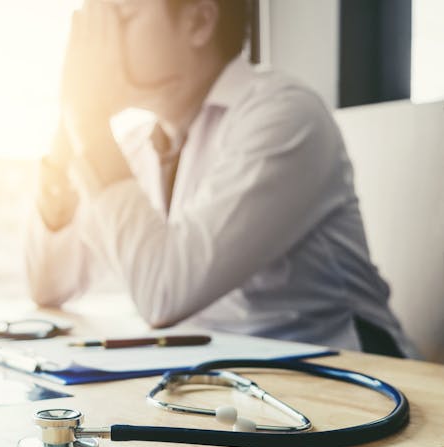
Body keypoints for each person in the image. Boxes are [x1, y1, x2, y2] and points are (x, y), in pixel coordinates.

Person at [25, 0, 417, 357]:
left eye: (121, 18)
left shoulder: (284, 116)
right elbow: (49, 285)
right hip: (221, 376)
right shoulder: (133, 147)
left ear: (199, 21)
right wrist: (69, 125)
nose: (98, 45)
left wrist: (90, 122)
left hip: (350, 377)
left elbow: (163, 292)